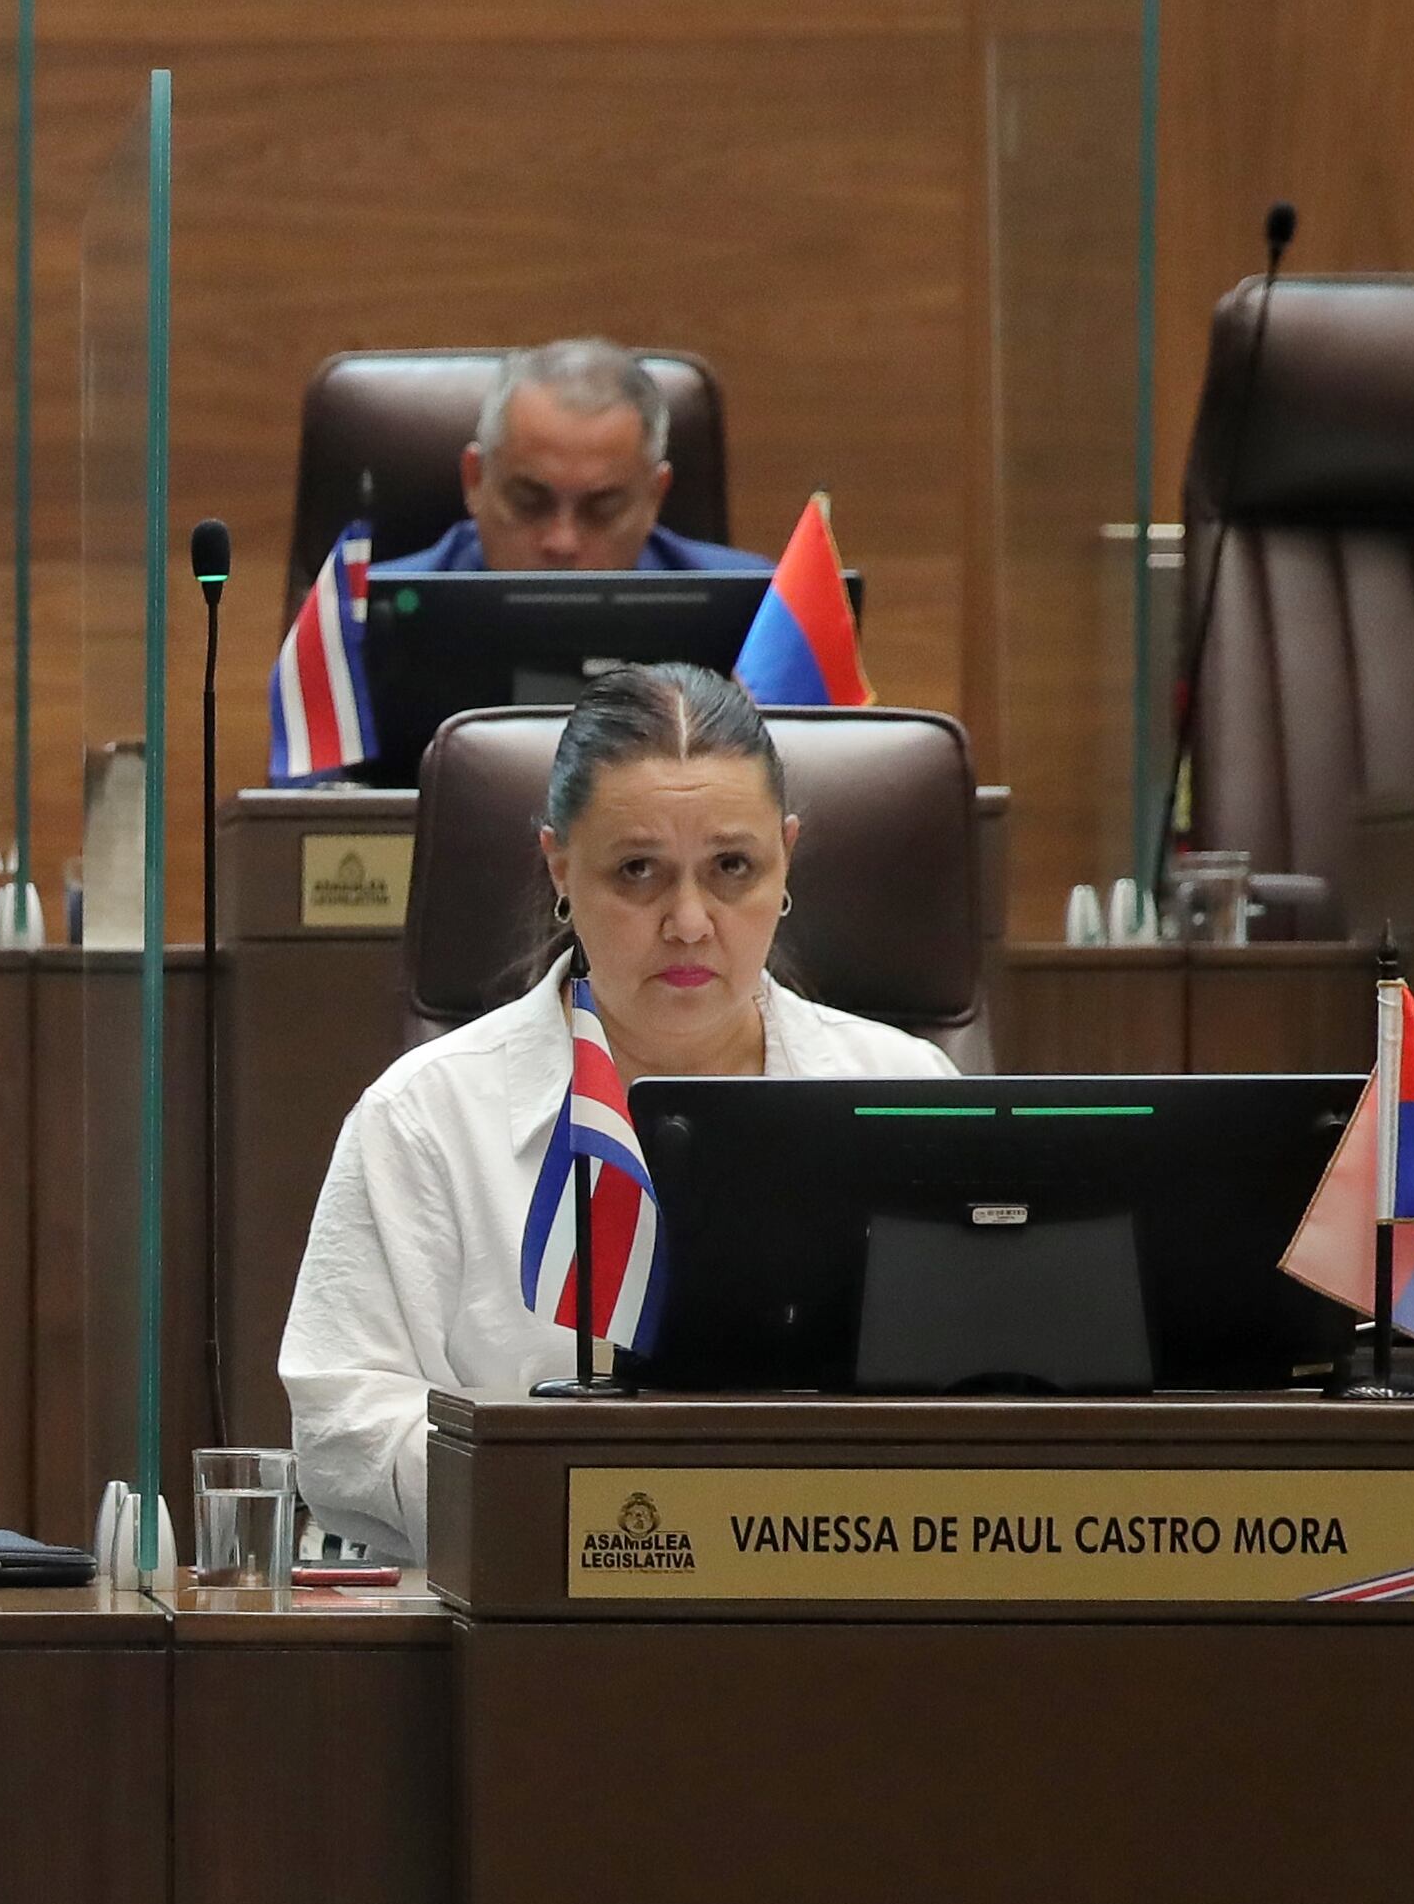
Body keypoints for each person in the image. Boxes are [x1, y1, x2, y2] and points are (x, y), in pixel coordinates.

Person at [279, 664, 952, 1560]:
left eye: (731, 869)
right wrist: (575, 1507)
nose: (688, 920)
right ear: (560, 865)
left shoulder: (906, 1091)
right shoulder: (427, 1118)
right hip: (527, 1623)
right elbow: (342, 1426)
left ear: (786, 856)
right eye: (638, 870)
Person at [372, 336, 767, 577]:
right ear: (474, 481)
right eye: (528, 503)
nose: (562, 543)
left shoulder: (760, 620)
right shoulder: (357, 621)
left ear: (654, 497)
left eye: (603, 509)